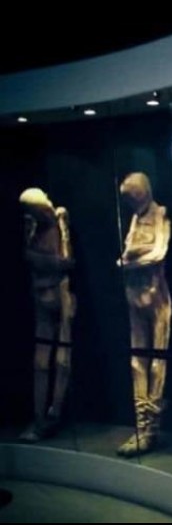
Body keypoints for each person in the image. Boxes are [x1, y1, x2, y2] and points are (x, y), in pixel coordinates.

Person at [116, 172, 172, 457]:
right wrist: (132, 257)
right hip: (134, 296)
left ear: (144, 192)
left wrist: (130, 261)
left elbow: (158, 253)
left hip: (156, 298)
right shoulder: (135, 219)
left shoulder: (160, 214)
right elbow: (126, 253)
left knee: (157, 363)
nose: (131, 202)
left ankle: (151, 428)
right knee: (137, 362)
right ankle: (141, 426)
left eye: (133, 196)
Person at [18, 188, 76, 442]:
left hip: (60, 291)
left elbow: (66, 262)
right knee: (40, 361)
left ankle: (54, 413)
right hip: (41, 293)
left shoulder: (59, 221)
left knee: (62, 355)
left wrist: (40, 260)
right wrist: (45, 261)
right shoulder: (32, 226)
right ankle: (39, 417)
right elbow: (29, 257)